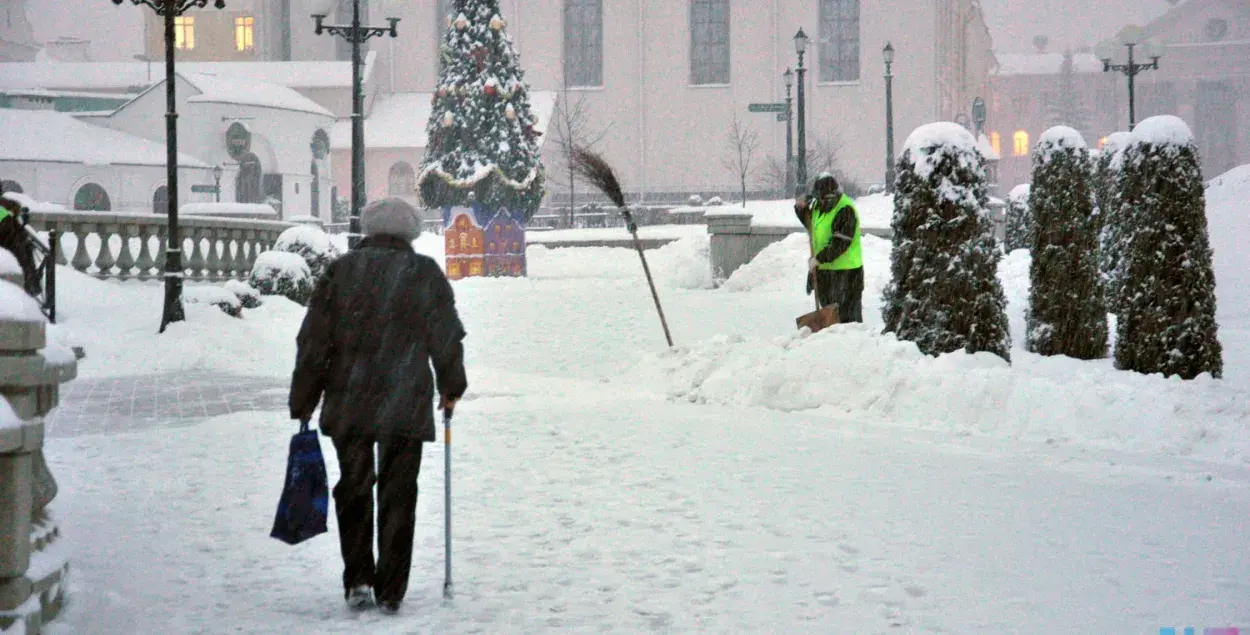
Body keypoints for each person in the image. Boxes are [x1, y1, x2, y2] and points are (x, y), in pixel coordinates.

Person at [288, 197, 468, 615]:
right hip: (404, 400)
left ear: (367, 231)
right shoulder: (423, 273)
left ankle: (359, 579)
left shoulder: (340, 271)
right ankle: (391, 587)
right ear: (410, 232)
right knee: (398, 493)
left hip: (349, 400)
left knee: (353, 489)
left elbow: (313, 341)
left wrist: (304, 399)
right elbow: (445, 335)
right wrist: (451, 385)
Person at [794, 173, 864, 323]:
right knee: (829, 323)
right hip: (826, 275)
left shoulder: (845, 210)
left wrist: (818, 259)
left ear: (832, 195)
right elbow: (811, 226)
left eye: (822, 199)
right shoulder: (819, 208)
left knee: (847, 323)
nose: (819, 202)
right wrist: (800, 208)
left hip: (847, 276)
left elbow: (840, 244)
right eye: (817, 199)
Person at [0, 194, 41, 297]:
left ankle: (31, 285)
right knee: (25, 258)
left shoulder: (5, 209)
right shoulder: (5, 210)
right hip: (12, 247)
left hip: (13, 246)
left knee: (25, 256)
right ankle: (32, 286)